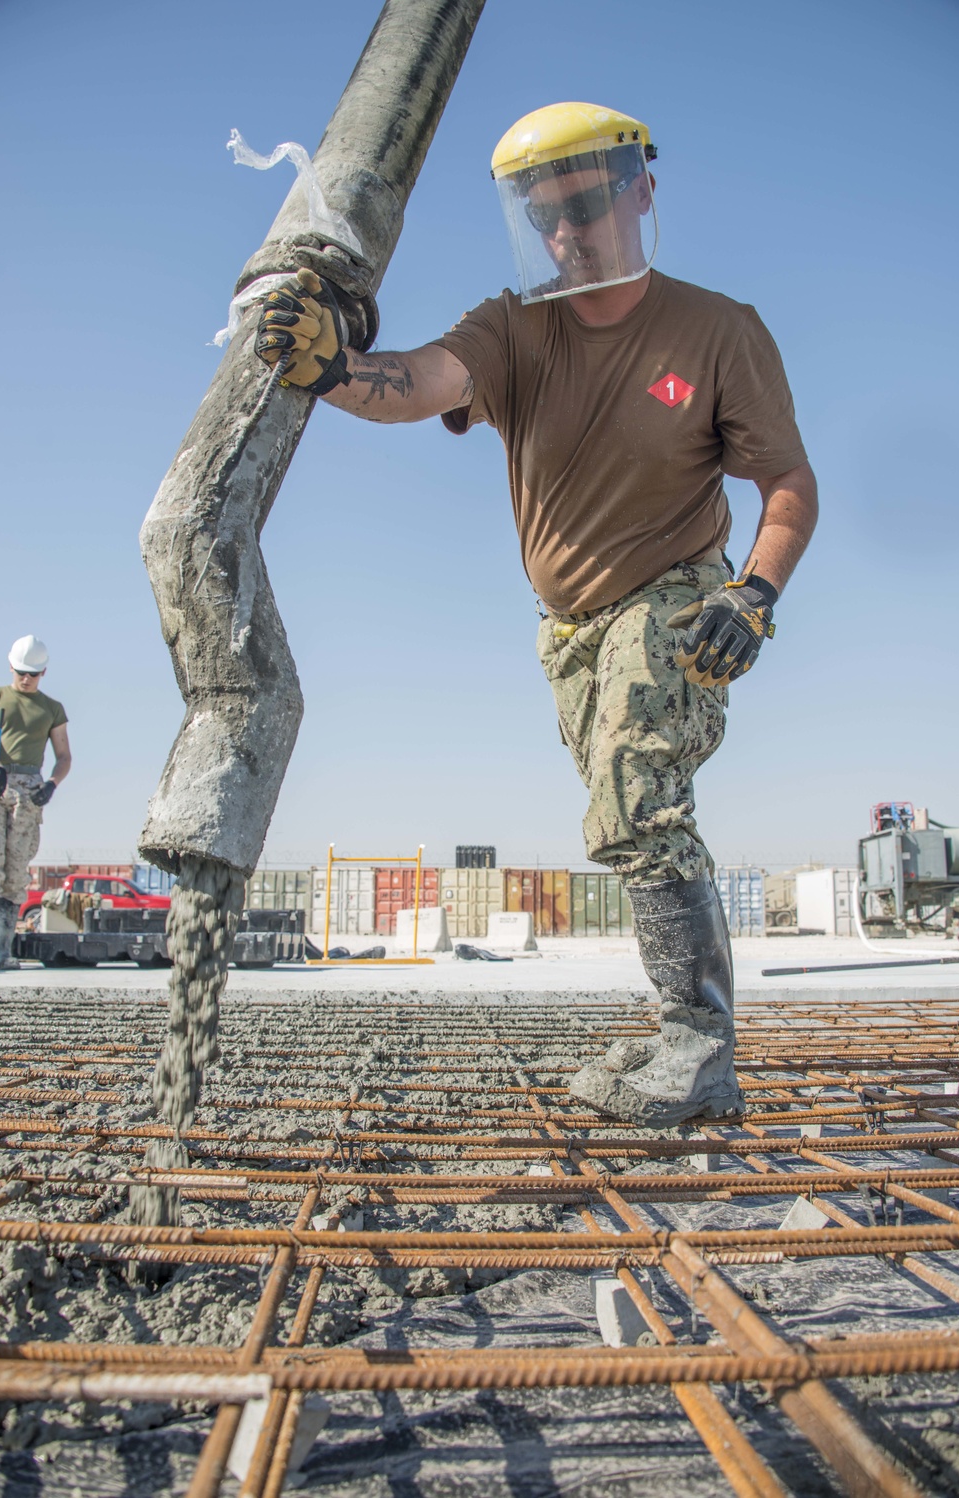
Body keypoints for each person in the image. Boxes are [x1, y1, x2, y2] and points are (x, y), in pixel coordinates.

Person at [255, 101, 818, 1129]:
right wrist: (331, 366)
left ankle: (700, 1054)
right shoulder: (514, 326)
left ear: (639, 191)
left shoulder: (717, 330)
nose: (567, 236)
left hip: (679, 592)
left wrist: (755, 591)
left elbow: (787, 484)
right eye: (546, 218)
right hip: (569, 628)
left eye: (587, 206)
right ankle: (682, 1033)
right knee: (623, 816)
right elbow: (422, 380)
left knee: (633, 791)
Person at [0, 637, 71, 970]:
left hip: (30, 791)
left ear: (43, 672)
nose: (26, 679)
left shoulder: (52, 709)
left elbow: (64, 756)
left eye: (33, 674)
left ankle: (2, 951)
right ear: (11, 666)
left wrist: (51, 785)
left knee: (16, 871)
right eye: (21, 672)